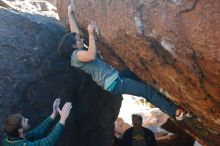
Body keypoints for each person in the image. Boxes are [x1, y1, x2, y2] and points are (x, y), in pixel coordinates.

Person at [57, 4, 189, 120]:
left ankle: (163, 103)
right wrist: (91, 34)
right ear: (73, 46)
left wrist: (70, 14)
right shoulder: (76, 55)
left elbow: (74, 33)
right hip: (114, 83)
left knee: (141, 78)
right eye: (79, 40)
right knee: (146, 91)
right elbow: (91, 55)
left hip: (115, 78)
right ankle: (175, 112)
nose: (81, 39)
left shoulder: (75, 52)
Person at [2, 98, 72, 146]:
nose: (27, 119)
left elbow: (37, 133)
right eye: (24, 121)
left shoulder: (10, 139)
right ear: (20, 130)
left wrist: (54, 114)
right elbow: (48, 142)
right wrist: (63, 119)